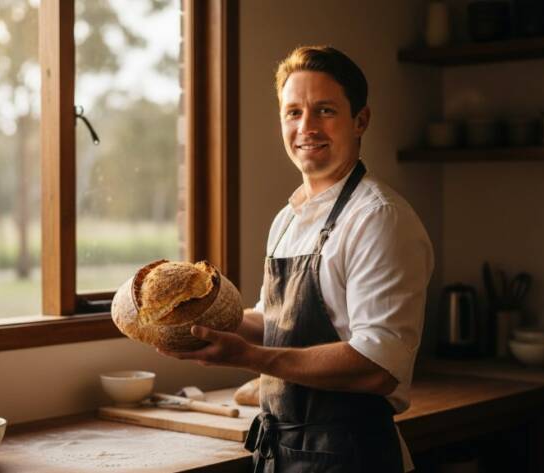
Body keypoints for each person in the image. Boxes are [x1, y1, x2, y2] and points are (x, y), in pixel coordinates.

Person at [159, 45, 433, 472]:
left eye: (325, 110)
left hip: (353, 457)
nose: (307, 127)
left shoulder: (379, 219)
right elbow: (275, 322)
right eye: (293, 112)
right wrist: (202, 321)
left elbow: (378, 366)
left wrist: (248, 358)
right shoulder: (288, 219)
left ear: (361, 120)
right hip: (283, 454)